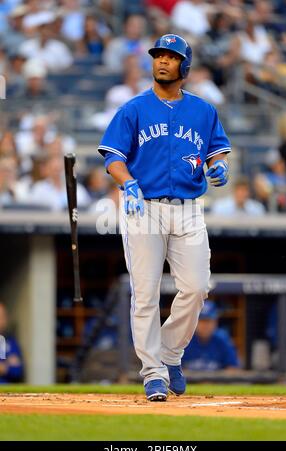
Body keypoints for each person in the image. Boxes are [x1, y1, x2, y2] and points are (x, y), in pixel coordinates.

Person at [98, 34, 231, 401]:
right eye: (159, 55)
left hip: (188, 209)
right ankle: (153, 372)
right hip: (145, 207)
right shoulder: (134, 108)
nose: (162, 62)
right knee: (145, 294)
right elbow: (113, 157)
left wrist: (219, 168)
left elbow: (215, 156)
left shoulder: (203, 111)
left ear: (184, 67)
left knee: (197, 286)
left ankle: (170, 353)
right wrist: (128, 185)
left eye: (171, 57)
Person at [182, 300, 240, 371]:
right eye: (202, 320)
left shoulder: (222, 339)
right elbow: (174, 371)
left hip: (217, 381)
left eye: (208, 321)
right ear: (194, 321)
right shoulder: (184, 340)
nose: (205, 325)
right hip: (189, 381)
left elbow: (233, 368)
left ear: (215, 322)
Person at [0, 301, 23, 384]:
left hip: (7, 393)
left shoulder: (11, 342)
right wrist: (6, 364)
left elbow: (17, 371)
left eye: (3, 317)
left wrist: (4, 368)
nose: (1, 321)